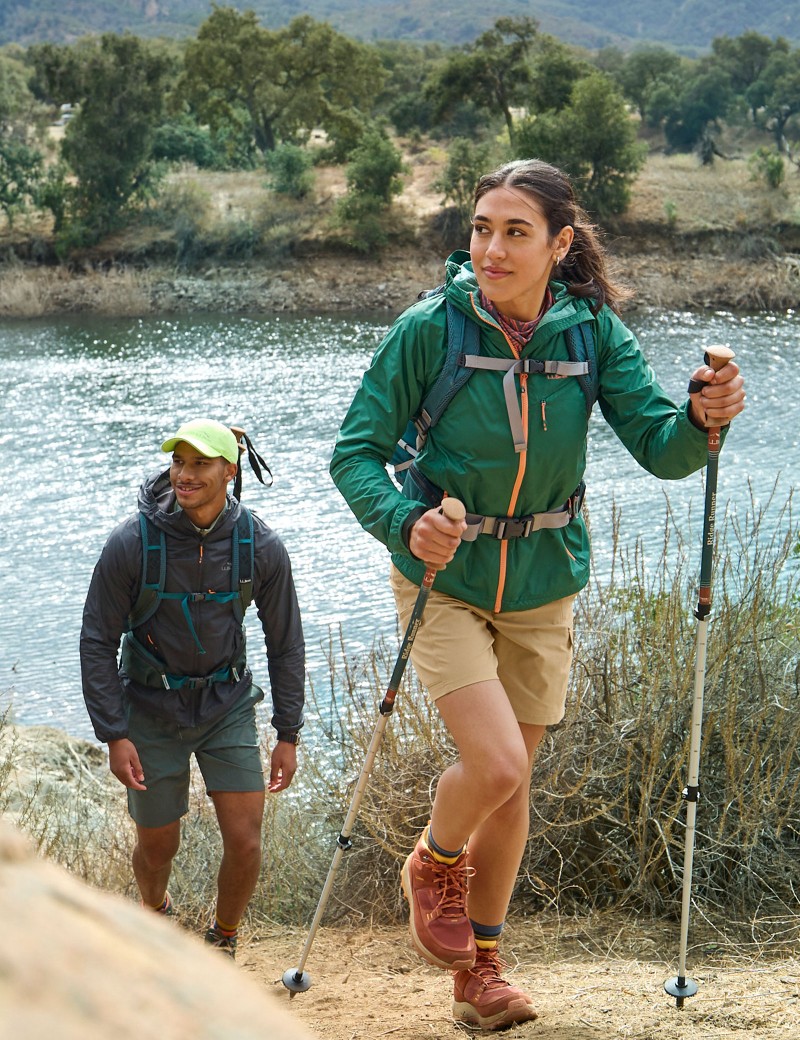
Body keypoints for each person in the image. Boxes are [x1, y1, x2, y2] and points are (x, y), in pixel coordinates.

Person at [329, 159, 745, 1030]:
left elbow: (664, 449)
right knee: (500, 765)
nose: (491, 248)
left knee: (511, 792)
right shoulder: (428, 330)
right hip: (443, 576)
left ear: (559, 245)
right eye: (482, 228)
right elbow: (355, 454)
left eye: (515, 232)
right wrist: (406, 523)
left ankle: (481, 976)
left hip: (545, 583)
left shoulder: (592, 333)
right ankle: (431, 863)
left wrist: (705, 418)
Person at [80, 418, 305, 959]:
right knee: (158, 846)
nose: (185, 474)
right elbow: (96, 642)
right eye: (179, 462)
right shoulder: (131, 544)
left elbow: (285, 642)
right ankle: (156, 915)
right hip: (149, 710)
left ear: (229, 470)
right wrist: (115, 734)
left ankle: (222, 942)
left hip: (226, 705)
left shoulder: (261, 546)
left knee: (247, 842)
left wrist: (287, 732)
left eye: (200, 463)